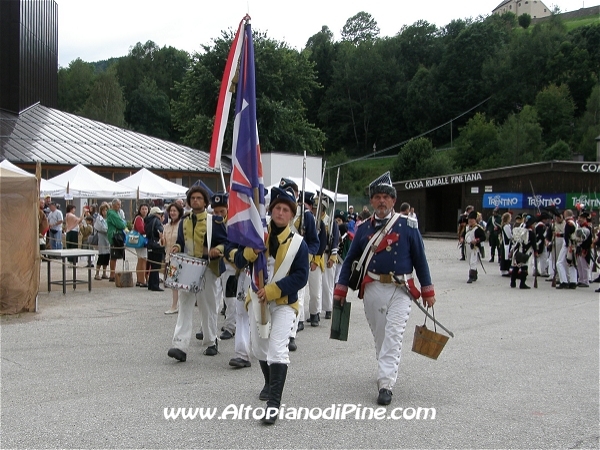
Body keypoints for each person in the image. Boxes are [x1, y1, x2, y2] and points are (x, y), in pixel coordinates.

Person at [333, 172, 436, 406]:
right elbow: (349, 260)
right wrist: (340, 289)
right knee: (380, 336)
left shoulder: (408, 226)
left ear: (393, 201)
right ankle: (384, 368)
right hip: (372, 288)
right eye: (377, 197)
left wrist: (428, 290)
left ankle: (386, 383)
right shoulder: (362, 229)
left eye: (386, 197)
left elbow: (420, 260)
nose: (381, 201)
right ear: (371, 201)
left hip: (401, 291)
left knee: (393, 335)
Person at [227, 185, 309, 424]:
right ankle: (267, 381)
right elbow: (239, 260)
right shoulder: (257, 237)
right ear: (271, 210)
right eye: (277, 208)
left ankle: (273, 404)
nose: (280, 213)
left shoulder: (299, 244)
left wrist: (272, 290)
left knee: (277, 350)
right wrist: (251, 253)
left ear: (292, 215)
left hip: (283, 302)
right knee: (259, 348)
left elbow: (300, 276)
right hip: (257, 299)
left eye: (286, 209)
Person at [167, 186, 228, 362]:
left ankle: (211, 341)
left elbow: (226, 242)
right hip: (187, 267)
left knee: (207, 305)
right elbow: (180, 242)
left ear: (205, 201)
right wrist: (177, 248)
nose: (195, 201)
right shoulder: (185, 221)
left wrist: (217, 249)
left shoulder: (214, 221)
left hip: (208, 267)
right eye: (192, 198)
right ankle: (180, 344)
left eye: (199, 198)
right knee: (184, 304)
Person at [279, 178, 319, 351]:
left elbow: (314, 241)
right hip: (279, 262)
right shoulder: (276, 213)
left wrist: (307, 256)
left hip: (298, 260)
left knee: (298, 298)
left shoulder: (306, 215)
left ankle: (291, 334)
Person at [210, 193, 237, 340]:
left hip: (231, 266)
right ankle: (209, 327)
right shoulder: (211, 223)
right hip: (215, 265)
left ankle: (230, 326)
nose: (219, 214)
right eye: (216, 212)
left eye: (222, 211)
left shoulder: (234, 223)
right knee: (213, 297)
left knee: (230, 298)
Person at [305, 196, 327, 327]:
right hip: (304, 258)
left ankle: (314, 314)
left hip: (315, 261)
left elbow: (321, 245)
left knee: (314, 291)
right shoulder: (306, 221)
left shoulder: (321, 224)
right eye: (313, 208)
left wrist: (315, 261)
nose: (314, 210)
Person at [320, 200, 340, 320]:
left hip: (327, 255)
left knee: (328, 283)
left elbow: (335, 240)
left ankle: (328, 308)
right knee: (317, 285)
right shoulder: (314, 220)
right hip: (317, 255)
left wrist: (333, 256)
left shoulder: (330, 221)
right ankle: (316, 310)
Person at [163, 202, 184, 314]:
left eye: (174, 211)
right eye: (171, 211)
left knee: (183, 282)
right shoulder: (166, 226)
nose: (172, 213)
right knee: (173, 282)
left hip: (181, 257)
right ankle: (174, 305)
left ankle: (186, 304)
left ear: (179, 212)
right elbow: (163, 243)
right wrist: (161, 240)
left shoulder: (183, 224)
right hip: (169, 257)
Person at [510, 215, 535, 289]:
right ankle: (522, 283)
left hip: (518, 250)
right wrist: (536, 251)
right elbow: (533, 244)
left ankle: (513, 282)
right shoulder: (530, 233)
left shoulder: (521, 230)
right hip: (525, 251)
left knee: (516, 267)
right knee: (524, 267)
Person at [556, 209, 578, 289]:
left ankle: (563, 281)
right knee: (571, 263)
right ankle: (573, 281)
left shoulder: (568, 223)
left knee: (559, 262)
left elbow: (566, 236)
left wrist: (568, 245)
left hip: (568, 245)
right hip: (573, 245)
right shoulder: (574, 222)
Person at [145, 207, 165, 292]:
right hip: (156, 245)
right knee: (156, 266)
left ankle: (151, 284)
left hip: (150, 244)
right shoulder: (156, 221)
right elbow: (160, 231)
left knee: (152, 265)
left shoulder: (148, 221)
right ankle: (154, 285)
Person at [463, 210, 486, 283]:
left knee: (473, 261)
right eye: (469, 220)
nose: (470, 221)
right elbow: (463, 235)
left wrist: (477, 240)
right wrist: (461, 238)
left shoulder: (478, 228)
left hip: (475, 247)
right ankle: (475, 274)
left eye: (471, 220)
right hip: (467, 247)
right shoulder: (467, 228)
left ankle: (471, 277)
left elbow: (483, 237)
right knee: (470, 261)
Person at [107, 199, 127, 282]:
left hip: (118, 235)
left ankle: (112, 273)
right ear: (113, 205)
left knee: (115, 255)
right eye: (118, 204)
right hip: (114, 236)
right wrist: (124, 223)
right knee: (114, 255)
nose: (119, 206)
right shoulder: (112, 213)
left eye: (120, 204)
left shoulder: (117, 213)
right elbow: (121, 224)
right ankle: (112, 274)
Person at [133, 204, 149, 287]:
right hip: (141, 241)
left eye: (146, 209)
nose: (144, 211)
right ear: (139, 210)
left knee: (140, 260)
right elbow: (141, 230)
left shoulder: (142, 218)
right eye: (143, 209)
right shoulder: (139, 218)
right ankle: (142, 280)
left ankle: (139, 279)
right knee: (143, 260)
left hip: (138, 241)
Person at [93, 203, 111, 280]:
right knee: (101, 256)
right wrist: (108, 230)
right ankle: (97, 273)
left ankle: (104, 273)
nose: (105, 212)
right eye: (104, 210)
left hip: (108, 239)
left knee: (107, 256)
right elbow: (100, 228)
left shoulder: (109, 218)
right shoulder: (99, 218)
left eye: (106, 210)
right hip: (101, 238)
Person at [575, 211, 593, 288]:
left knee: (584, 265)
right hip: (579, 247)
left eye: (582, 218)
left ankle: (586, 281)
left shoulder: (587, 228)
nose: (580, 219)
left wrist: (585, 249)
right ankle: (581, 280)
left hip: (584, 248)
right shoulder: (579, 227)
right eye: (579, 218)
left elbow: (589, 240)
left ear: (585, 219)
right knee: (579, 265)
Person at [498, 212, 513, 277]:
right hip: (506, 244)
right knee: (506, 256)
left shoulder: (507, 225)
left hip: (507, 244)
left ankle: (506, 269)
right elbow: (509, 236)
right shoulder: (506, 226)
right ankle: (505, 270)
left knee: (506, 256)